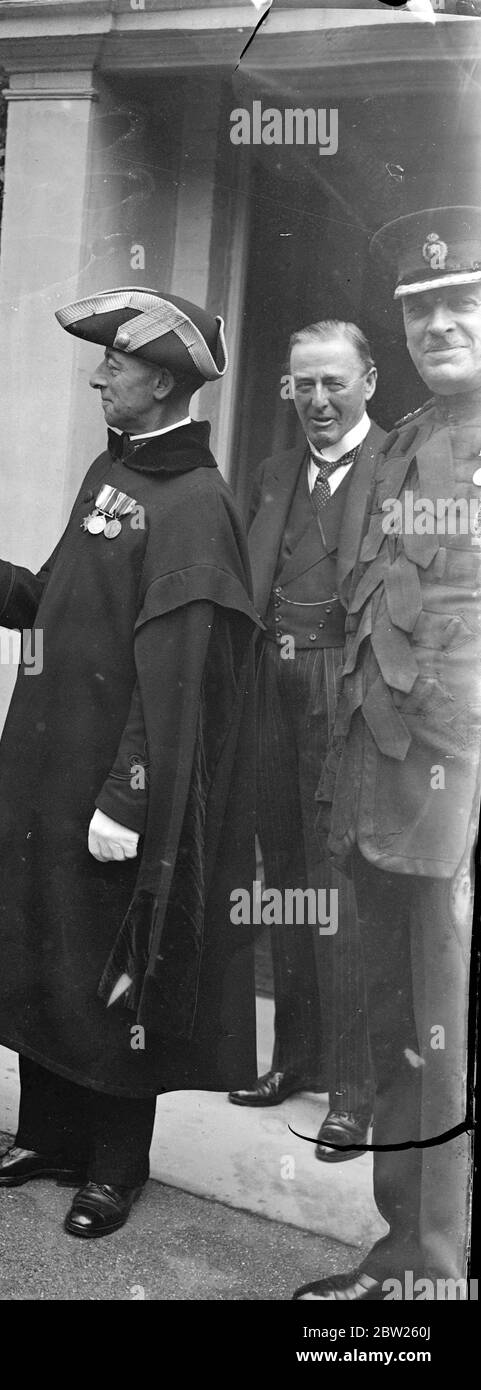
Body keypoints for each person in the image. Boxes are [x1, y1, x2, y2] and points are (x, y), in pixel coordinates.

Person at [0, 287, 260, 1240]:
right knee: (46, 948)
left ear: (159, 381)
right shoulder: (114, 471)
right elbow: (55, 604)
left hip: (117, 787)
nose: (98, 374)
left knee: (117, 973)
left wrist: (127, 799)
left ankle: (115, 1166)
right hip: (50, 768)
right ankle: (48, 1137)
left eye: (114, 362)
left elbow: (183, 681)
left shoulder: (197, 506)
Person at [296, 207, 481, 1298]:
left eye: (463, 303)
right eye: (419, 310)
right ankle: (412, 1246)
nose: (439, 324)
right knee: (412, 1033)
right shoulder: (407, 437)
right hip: (391, 796)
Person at [229, 321, 384, 1161]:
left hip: (349, 688)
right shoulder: (272, 471)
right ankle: (294, 1056)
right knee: (283, 873)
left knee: (343, 884)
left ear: (367, 381)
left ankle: (353, 1094)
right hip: (271, 684)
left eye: (332, 383)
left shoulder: (396, 467)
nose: (316, 402)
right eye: (302, 386)